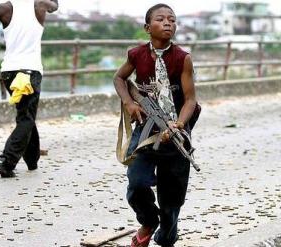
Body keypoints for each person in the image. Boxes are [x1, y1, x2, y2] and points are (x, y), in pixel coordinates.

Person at [113, 3, 197, 247]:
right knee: (137, 183)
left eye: (172, 19)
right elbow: (119, 78)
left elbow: (191, 99)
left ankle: (167, 233)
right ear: (147, 28)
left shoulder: (183, 58)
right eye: (161, 19)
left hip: (176, 135)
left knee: (172, 201)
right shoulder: (136, 55)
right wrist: (129, 102)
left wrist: (178, 125)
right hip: (146, 131)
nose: (168, 23)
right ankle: (149, 221)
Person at [0, 0, 59, 178]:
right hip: (30, 72)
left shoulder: (3, 8)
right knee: (26, 118)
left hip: (9, 73)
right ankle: (6, 161)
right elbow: (55, 6)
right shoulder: (41, 5)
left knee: (26, 115)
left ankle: (32, 160)